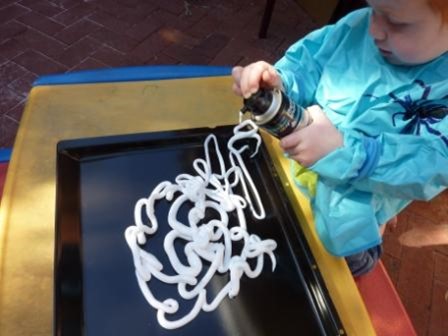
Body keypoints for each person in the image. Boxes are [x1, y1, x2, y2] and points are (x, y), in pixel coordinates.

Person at [232, 0, 448, 276]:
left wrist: (348, 154)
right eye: (374, 10)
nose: (374, 30)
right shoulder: (357, 27)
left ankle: (371, 239)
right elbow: (308, 63)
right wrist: (277, 83)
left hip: (349, 216)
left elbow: (429, 164)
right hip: (294, 176)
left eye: (397, 22)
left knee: (338, 271)